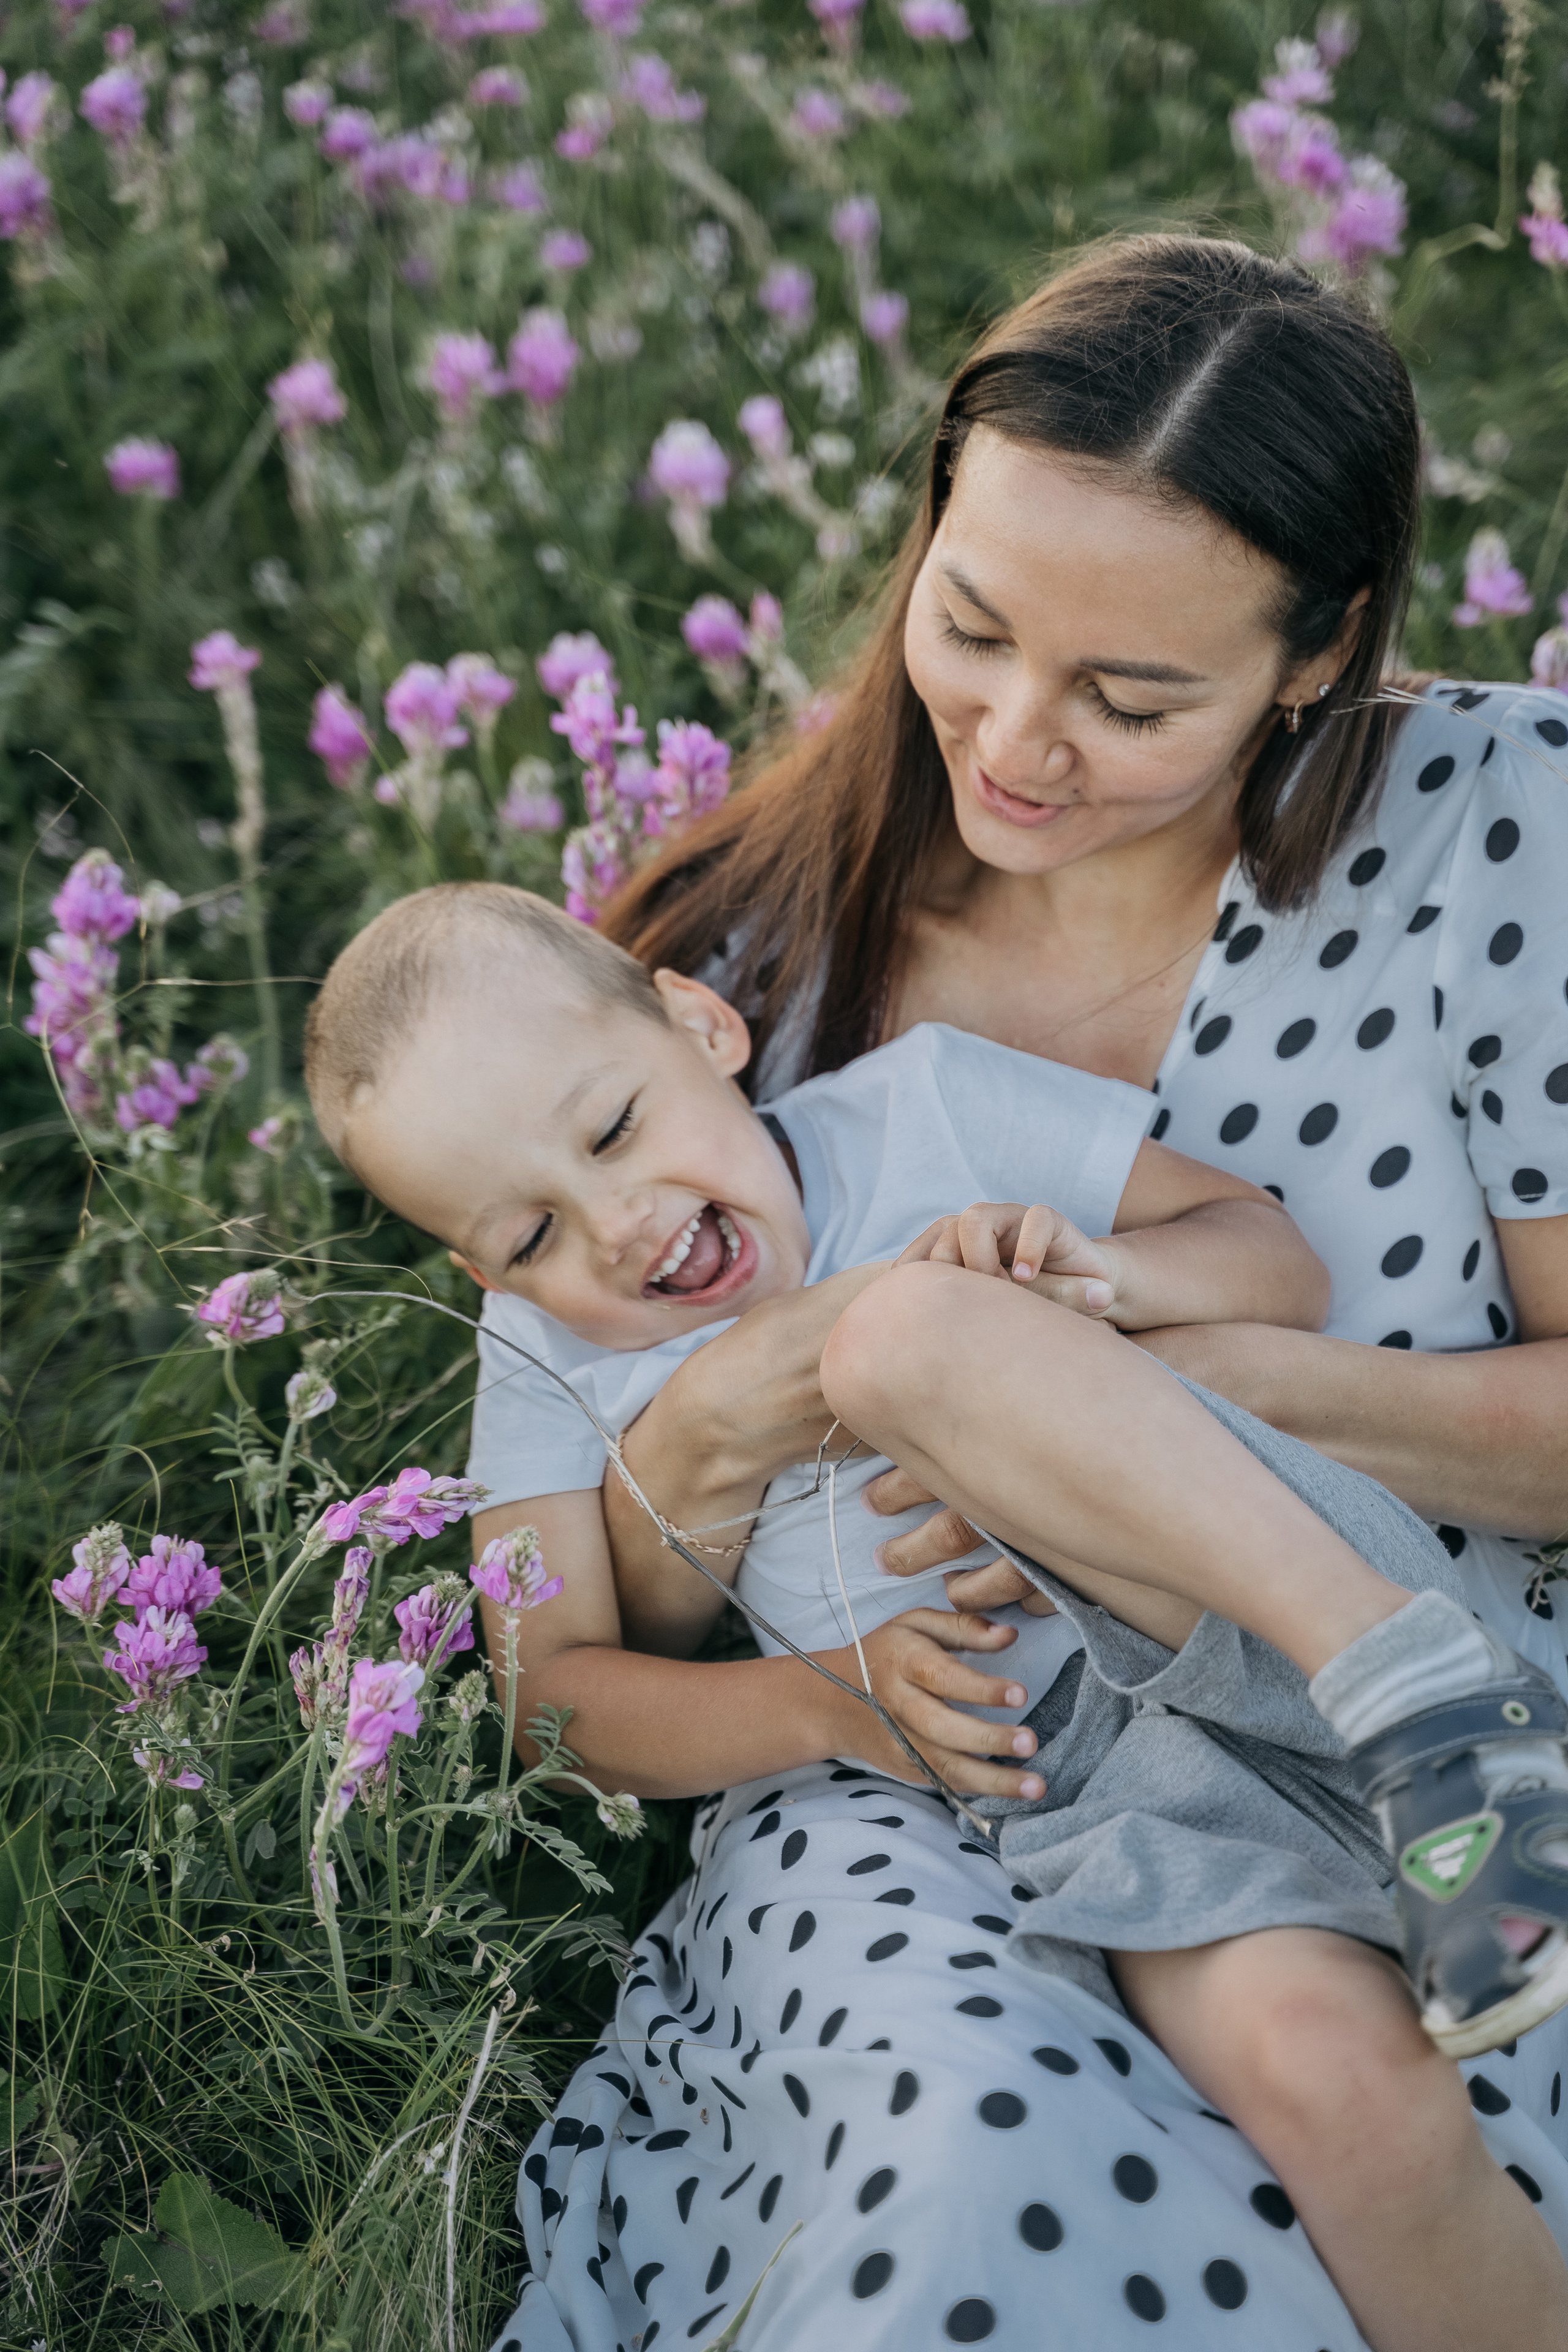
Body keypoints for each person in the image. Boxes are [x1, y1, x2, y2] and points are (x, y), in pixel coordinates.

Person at [303, 881, 1568, 2352]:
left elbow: (1271, 1252)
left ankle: (1427, 1700)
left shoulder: (925, 1112)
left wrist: (1109, 1283)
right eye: (530, 1238)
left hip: (1244, 1602)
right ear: (478, 1272)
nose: (619, 1228)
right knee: (1327, 2086)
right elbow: (553, 1702)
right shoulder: (538, 1358)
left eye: (613, 1132)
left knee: (892, 1335)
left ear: (699, 1027)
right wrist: (832, 1705)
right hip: (1085, 1788)